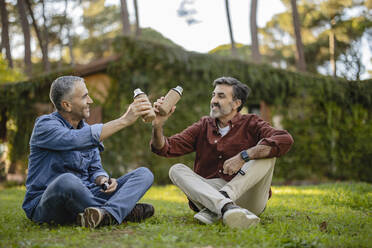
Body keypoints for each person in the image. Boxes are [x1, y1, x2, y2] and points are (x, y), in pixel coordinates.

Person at [151, 77, 294, 229]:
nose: (213, 100)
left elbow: (285, 139)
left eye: (221, 96)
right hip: (210, 195)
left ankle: (222, 202)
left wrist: (243, 156)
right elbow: (165, 147)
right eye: (213, 95)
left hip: (247, 196)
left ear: (236, 103)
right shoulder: (203, 125)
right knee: (176, 170)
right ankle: (225, 207)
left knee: (267, 152)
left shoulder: (252, 123)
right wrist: (157, 126)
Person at [22, 76, 155, 228]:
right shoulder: (44, 126)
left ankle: (105, 214)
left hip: (88, 195)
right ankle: (120, 212)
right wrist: (124, 120)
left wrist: (103, 179)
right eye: (85, 96)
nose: (90, 100)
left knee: (144, 174)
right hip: (46, 203)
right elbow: (74, 140)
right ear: (67, 105)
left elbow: (95, 169)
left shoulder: (86, 129)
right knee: (67, 181)